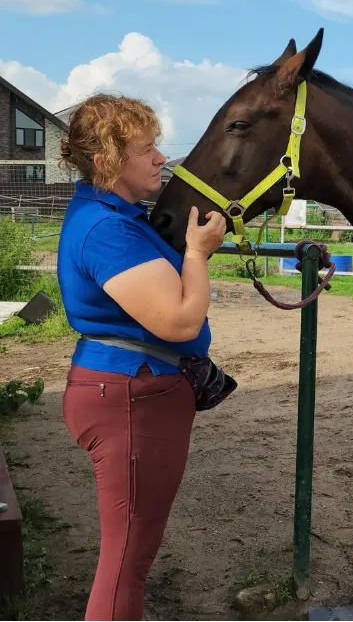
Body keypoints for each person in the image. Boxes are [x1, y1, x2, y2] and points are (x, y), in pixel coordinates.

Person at [56, 93, 226, 622]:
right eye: (146, 149)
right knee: (126, 560)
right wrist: (197, 254)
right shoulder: (108, 230)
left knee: (132, 552)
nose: (161, 158)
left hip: (130, 389)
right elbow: (179, 321)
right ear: (108, 161)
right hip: (131, 396)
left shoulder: (119, 217)